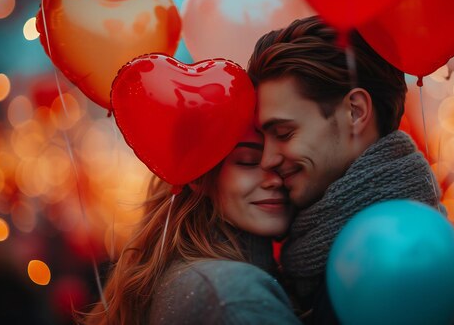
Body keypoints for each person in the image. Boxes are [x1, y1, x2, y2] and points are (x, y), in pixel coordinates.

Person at [248, 16, 454, 324]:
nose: (267, 159)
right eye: (263, 139)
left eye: (284, 133)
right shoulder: (333, 247)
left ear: (355, 112)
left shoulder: (398, 262)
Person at [82, 123, 301, 325]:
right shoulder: (233, 294)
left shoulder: (185, 276)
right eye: (248, 161)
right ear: (199, 176)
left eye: (283, 163)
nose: (275, 179)